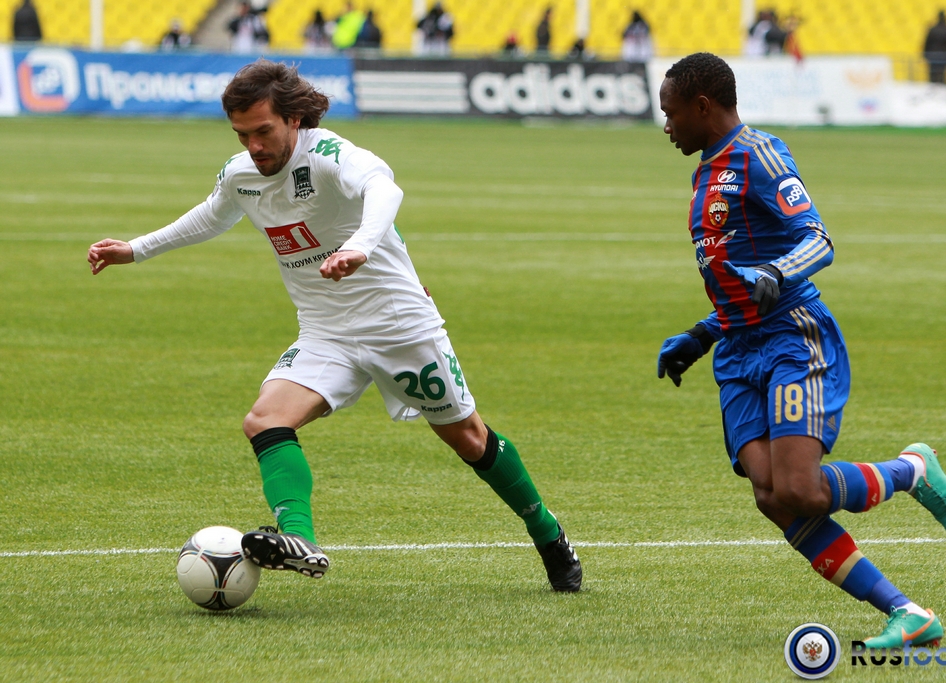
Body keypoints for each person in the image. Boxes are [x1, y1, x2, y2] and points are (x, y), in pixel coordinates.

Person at [86, 61, 582, 593]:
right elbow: (213, 213)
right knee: (264, 420)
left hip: (398, 325)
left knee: (468, 438)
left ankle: (547, 533)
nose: (254, 146)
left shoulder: (327, 154)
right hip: (325, 331)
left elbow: (384, 189)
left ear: (294, 118)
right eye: (242, 135)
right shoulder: (241, 174)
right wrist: (135, 250)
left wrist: (359, 247)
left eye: (263, 131)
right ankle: (299, 538)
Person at [656, 52, 946, 647]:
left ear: (702, 106)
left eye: (670, 113)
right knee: (773, 496)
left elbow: (817, 239)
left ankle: (911, 471)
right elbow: (736, 276)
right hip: (737, 351)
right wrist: (702, 334)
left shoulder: (761, 154)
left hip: (790, 338)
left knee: (799, 489)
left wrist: (778, 271)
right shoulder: (705, 172)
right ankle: (907, 613)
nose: (665, 125)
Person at [923, 10, 946, 84]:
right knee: (942, 76)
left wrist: (925, 54)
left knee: (932, 76)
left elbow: (927, 43)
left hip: (932, 56)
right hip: (944, 57)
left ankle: (933, 87)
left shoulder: (932, 29)